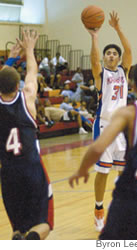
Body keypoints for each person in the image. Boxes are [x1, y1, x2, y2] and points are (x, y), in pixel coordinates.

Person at [69, 59, 137, 240]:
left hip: (129, 199)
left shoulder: (128, 113)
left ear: (133, 86)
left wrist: (82, 169)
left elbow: (98, 147)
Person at [0, 30, 54, 240]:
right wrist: (29, 50)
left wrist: (11, 59)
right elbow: (32, 72)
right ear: (17, 85)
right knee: (45, 224)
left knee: (18, 229)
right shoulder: (27, 98)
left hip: (8, 173)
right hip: (32, 170)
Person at [86, 10, 132, 231]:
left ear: (119, 57)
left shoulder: (124, 72)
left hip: (122, 129)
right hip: (104, 127)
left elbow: (130, 51)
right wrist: (95, 37)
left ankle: (122, 209)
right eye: (108, 53)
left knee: (123, 173)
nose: (111, 55)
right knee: (103, 172)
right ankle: (98, 210)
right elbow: (94, 60)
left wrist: (118, 29)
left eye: (115, 53)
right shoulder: (101, 74)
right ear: (104, 58)